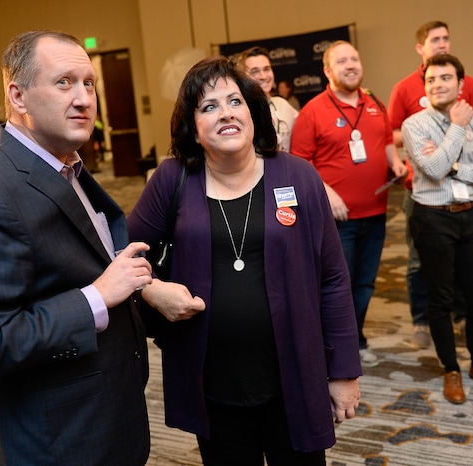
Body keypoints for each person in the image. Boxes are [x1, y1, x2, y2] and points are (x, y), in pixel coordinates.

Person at [0, 30, 152, 465]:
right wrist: (98, 297)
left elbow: (83, 266)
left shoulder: (67, 166)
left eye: (88, 83)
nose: (85, 98)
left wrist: (142, 289)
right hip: (58, 443)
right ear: (18, 96)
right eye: (64, 82)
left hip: (108, 421)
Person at [128, 56, 361, 465]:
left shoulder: (299, 176)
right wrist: (152, 290)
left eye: (235, 101)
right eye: (208, 107)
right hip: (212, 383)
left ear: (254, 112)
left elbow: (334, 278)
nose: (225, 114)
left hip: (294, 377)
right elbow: (123, 255)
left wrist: (343, 371)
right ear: (193, 127)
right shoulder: (172, 179)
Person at [290, 40, 408, 368]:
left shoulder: (373, 103)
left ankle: (352, 335)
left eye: (354, 58)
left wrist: (395, 163)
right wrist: (327, 193)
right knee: (337, 282)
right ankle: (334, 341)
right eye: (342, 61)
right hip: (337, 218)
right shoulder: (313, 111)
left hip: (377, 211)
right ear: (328, 71)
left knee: (366, 281)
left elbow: (385, 140)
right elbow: (300, 162)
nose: (351, 65)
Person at [401, 53, 473, 404]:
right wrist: (457, 131)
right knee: (441, 299)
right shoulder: (415, 125)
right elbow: (431, 167)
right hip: (432, 217)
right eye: (431, 80)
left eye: (445, 78)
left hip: (469, 217)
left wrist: (453, 165)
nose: (437, 85)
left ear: (460, 84)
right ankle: (451, 369)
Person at [388, 20, 473, 349]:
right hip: (421, 187)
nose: (441, 43)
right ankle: (420, 320)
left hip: (458, 187)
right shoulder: (404, 88)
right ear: (420, 48)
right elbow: (391, 134)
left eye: (445, 38)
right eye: (434, 39)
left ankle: (458, 315)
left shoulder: (465, 83)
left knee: (456, 259)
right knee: (417, 260)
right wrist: (422, 137)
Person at [236, 46, 299, 152]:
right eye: (255, 71)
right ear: (243, 77)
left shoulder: (282, 104)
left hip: (285, 167)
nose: (263, 76)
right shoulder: (239, 112)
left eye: (267, 69)